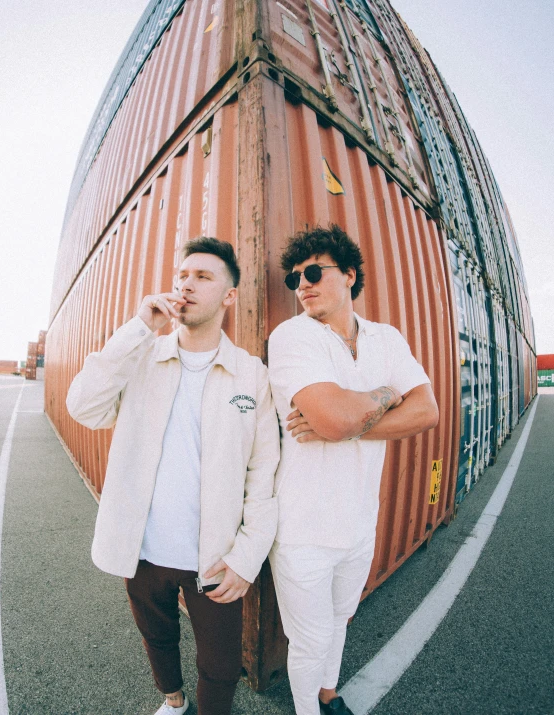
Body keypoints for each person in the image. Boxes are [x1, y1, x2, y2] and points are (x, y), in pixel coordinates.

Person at [66, 237, 280, 715]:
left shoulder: (251, 375)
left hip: (215, 557)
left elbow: (263, 475)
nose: (187, 284)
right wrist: (140, 327)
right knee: (157, 636)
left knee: (221, 665)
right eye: (182, 275)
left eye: (203, 277)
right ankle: (173, 701)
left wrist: (247, 557)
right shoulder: (141, 356)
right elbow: (83, 406)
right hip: (141, 548)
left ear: (229, 296)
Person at [267, 225, 439, 715]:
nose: (302, 284)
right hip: (303, 526)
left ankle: (328, 696)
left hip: (361, 518)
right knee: (308, 638)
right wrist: (386, 397)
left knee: (341, 618)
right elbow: (334, 417)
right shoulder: (293, 336)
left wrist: (346, 423)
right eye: (294, 277)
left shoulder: (386, 339)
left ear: (349, 275)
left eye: (314, 271)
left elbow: (427, 411)